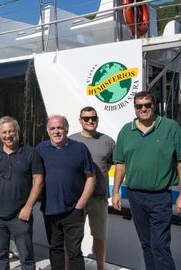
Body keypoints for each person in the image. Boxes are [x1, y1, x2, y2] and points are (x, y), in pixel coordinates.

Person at [112, 91, 181, 270]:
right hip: (135, 196)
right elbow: (121, 164)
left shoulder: (170, 127)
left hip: (160, 197)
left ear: (154, 105)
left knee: (160, 246)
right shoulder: (126, 130)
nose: (144, 109)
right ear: (135, 108)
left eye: (147, 105)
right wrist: (116, 191)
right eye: (139, 106)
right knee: (146, 244)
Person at [0, 116, 44, 270]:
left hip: (20, 216)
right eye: (4, 132)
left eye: (11, 131)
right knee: (0, 256)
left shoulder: (30, 153)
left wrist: (28, 207)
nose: (7, 135)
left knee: (26, 258)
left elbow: (39, 181)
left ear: (17, 132)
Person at [36, 115, 96, 270]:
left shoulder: (80, 148)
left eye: (60, 128)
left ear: (66, 129)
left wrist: (80, 205)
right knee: (55, 249)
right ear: (48, 131)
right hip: (49, 210)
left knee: (74, 251)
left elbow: (91, 177)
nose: (56, 132)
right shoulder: (40, 150)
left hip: (73, 210)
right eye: (52, 128)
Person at [70, 107, 115, 270]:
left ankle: (101, 267)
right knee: (74, 236)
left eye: (93, 118)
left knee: (100, 236)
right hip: (76, 198)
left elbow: (109, 164)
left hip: (99, 197)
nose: (90, 121)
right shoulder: (71, 141)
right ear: (80, 120)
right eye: (86, 118)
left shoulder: (108, 141)